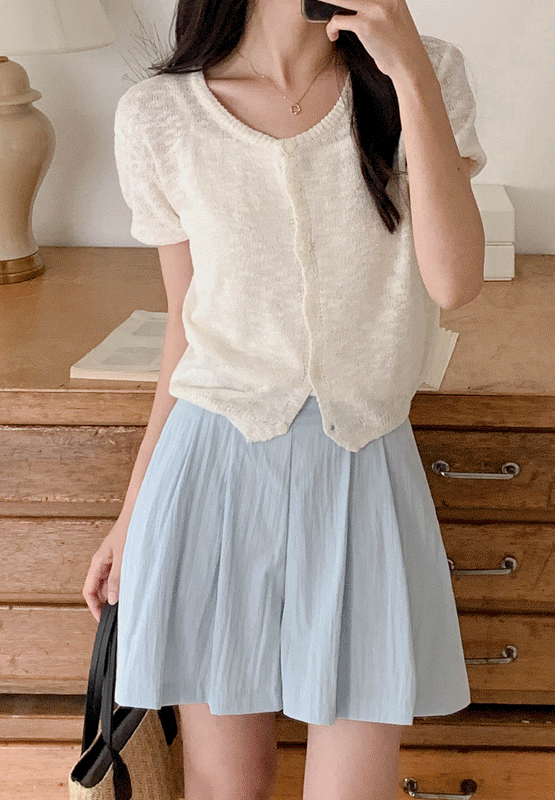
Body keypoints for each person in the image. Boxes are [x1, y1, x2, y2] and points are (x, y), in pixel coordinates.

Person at [83, 0, 487, 796]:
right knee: (227, 784)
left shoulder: (426, 73)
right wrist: (133, 513)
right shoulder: (160, 113)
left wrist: (407, 66)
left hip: (363, 473)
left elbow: (455, 281)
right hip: (209, 475)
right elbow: (184, 330)